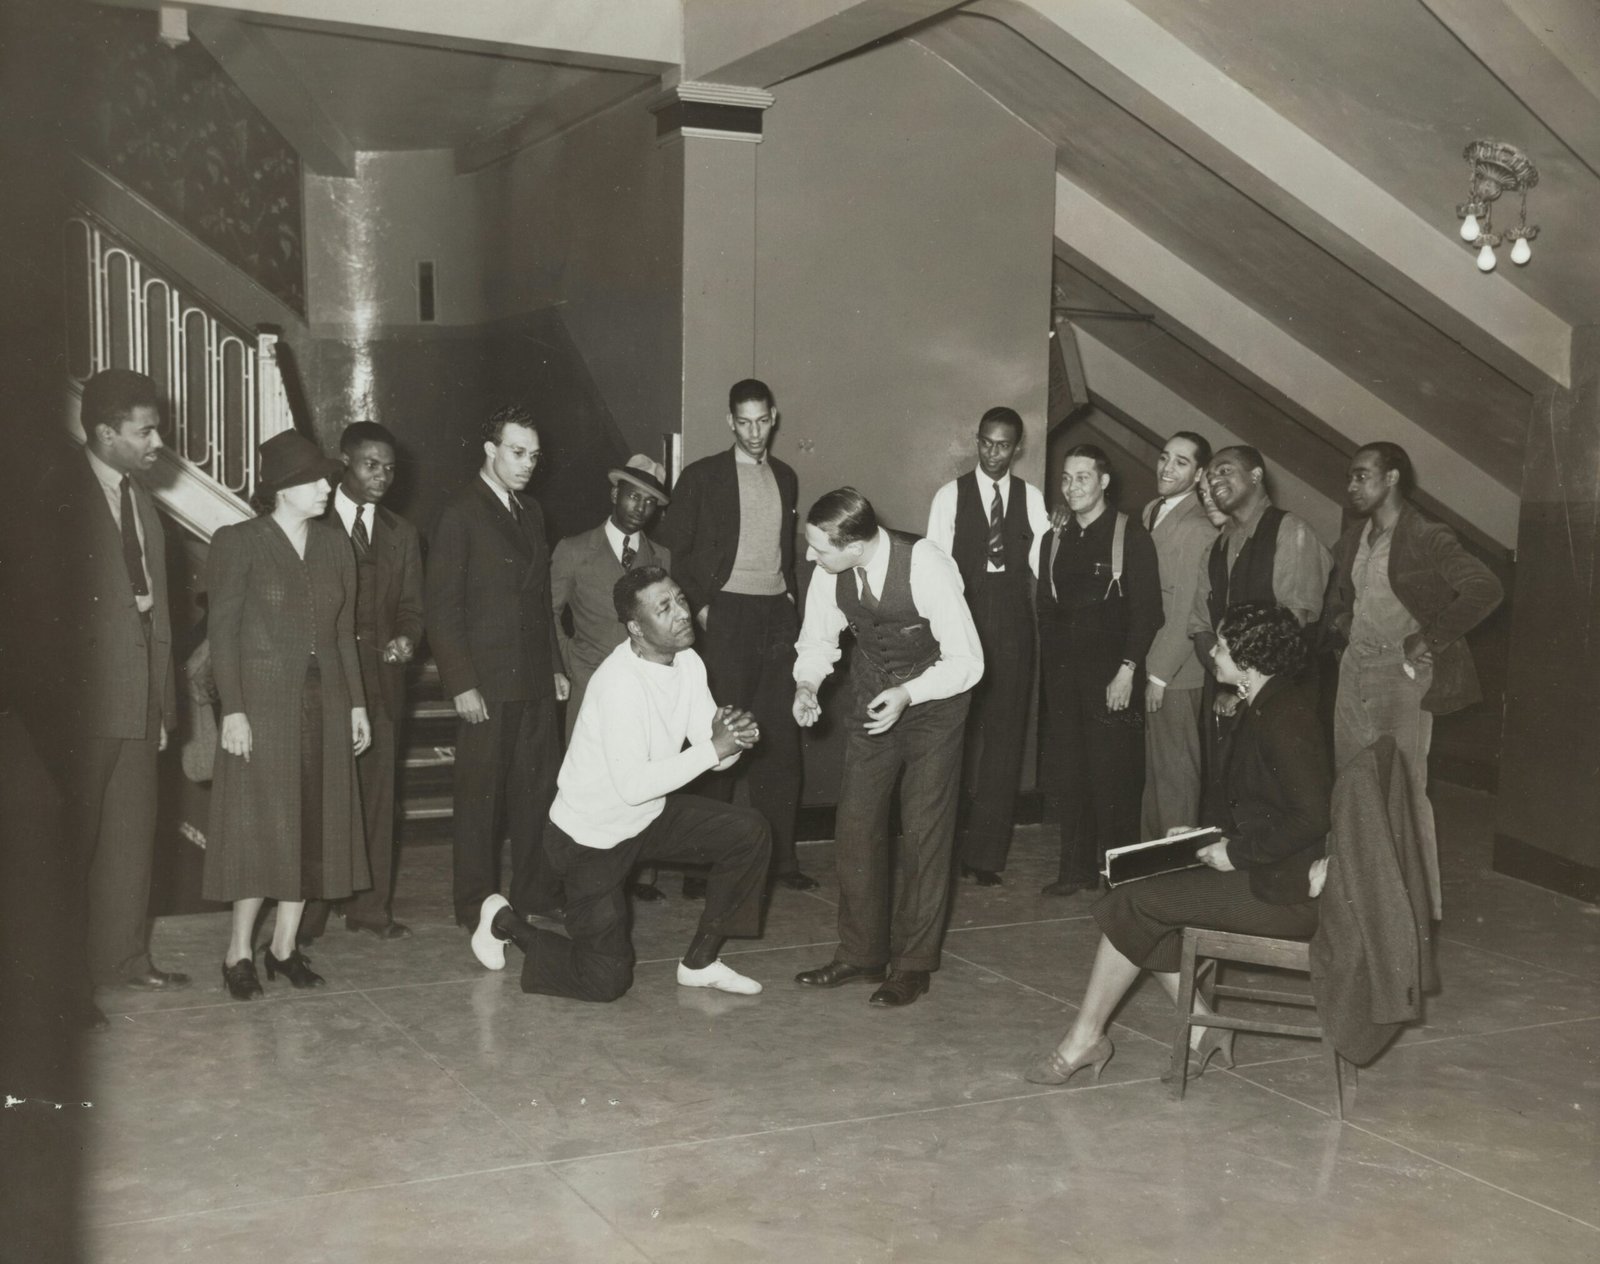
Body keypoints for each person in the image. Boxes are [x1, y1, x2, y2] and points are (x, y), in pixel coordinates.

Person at [1025, 602, 1330, 1085]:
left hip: (1285, 891)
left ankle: (1087, 1038)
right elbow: (1261, 804)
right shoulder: (1267, 704)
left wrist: (1233, 853)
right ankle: (1200, 1031)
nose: (1215, 655)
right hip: (1271, 868)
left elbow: (1313, 816)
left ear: (1250, 659)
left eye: (1225, 647)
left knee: (1134, 904)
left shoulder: (1285, 717)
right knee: (1138, 888)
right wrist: (1205, 834)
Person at [471, 566, 771, 1001]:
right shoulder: (618, 684)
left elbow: (715, 755)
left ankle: (700, 962)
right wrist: (716, 748)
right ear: (636, 628)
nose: (682, 613)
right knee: (605, 980)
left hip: (646, 817)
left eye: (680, 599)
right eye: (664, 608)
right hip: (589, 838)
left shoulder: (686, 661)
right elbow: (633, 785)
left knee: (749, 831)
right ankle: (504, 921)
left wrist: (734, 739)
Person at [791, 488, 984, 1008]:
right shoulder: (831, 572)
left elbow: (968, 661)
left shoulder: (926, 566)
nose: (811, 557)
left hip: (935, 704)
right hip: (873, 696)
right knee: (855, 825)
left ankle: (913, 965)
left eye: (820, 549)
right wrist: (807, 685)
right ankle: (860, 953)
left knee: (923, 831)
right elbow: (817, 641)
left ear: (854, 545)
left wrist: (909, 693)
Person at [205, 431, 372, 1000]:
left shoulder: (335, 546)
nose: (329, 487)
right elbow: (222, 635)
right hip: (263, 707)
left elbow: (343, 635)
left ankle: (283, 948)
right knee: (260, 828)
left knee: (315, 826)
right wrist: (234, 710)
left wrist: (356, 704)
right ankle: (237, 953)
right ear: (282, 488)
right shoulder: (239, 542)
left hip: (324, 704)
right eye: (318, 480)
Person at [47, 369, 188, 1025]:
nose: (156, 441)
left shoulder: (142, 502)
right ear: (105, 433)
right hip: (77, 709)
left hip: (138, 703)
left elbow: (160, 615)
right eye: (145, 430)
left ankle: (124, 960)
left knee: (132, 839)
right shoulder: (51, 497)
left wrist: (162, 704)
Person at [1323, 442, 1502, 919]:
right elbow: (1339, 596)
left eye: (1362, 476)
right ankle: (1357, 901)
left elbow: (1485, 587)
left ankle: (1418, 914)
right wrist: (1342, 623)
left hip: (1400, 677)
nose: (1352, 486)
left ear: (1393, 477)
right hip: (1353, 670)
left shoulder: (1425, 534)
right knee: (1352, 784)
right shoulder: (1354, 537)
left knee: (1403, 789)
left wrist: (1429, 639)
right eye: (1350, 478)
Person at [659, 379, 814, 893]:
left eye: (761, 421)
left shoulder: (786, 477)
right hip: (726, 614)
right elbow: (678, 553)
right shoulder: (702, 476)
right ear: (730, 421)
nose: (753, 432)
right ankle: (699, 867)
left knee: (780, 742)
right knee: (718, 736)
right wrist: (702, 608)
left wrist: (791, 601)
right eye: (743, 422)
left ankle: (782, 862)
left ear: (775, 417)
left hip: (777, 616)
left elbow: (785, 554)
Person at [426, 405, 569, 938]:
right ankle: (476, 905)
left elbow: (538, 603)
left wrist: (554, 665)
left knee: (538, 794)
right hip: (485, 682)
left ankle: (533, 896)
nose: (527, 463)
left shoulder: (530, 510)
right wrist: (461, 682)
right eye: (516, 452)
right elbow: (443, 607)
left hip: (532, 679)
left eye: (533, 455)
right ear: (490, 451)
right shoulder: (460, 513)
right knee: (480, 802)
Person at [300, 422, 423, 944]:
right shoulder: (310, 521)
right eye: (372, 464)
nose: (383, 476)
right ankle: (305, 915)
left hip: (381, 683)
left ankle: (371, 910)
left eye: (390, 468)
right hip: (320, 681)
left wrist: (406, 639)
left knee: (377, 797)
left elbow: (414, 609)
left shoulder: (403, 534)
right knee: (317, 797)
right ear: (344, 463)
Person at [925, 406, 1051, 885]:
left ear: (1017, 447)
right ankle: (943, 845)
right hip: (962, 617)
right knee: (952, 736)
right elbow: (934, 567)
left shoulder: (1031, 497)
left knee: (1004, 740)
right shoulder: (949, 496)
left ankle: (985, 857)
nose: (993, 453)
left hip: (1014, 621)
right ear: (977, 441)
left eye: (1003, 445)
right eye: (986, 443)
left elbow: (1044, 563)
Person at [1037, 445, 1162, 897]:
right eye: (1067, 479)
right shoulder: (1055, 537)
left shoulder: (1131, 534)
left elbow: (1147, 612)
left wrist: (1127, 670)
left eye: (1083, 478)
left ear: (1104, 481)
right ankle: (1074, 870)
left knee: (1115, 776)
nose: (1072, 487)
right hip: (1066, 678)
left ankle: (1119, 876)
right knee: (1070, 772)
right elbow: (1044, 609)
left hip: (1113, 676)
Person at [551, 454, 673, 900]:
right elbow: (549, 613)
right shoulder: (574, 549)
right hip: (590, 683)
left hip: (643, 689)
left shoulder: (661, 557)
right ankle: (578, 880)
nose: (640, 507)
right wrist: (565, 664)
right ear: (614, 493)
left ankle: (637, 874)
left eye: (650, 501)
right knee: (588, 785)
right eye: (633, 495)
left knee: (643, 778)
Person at [1187, 446, 1331, 813]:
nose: (1215, 480)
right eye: (1211, 476)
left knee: (1282, 802)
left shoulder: (1290, 531)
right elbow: (1201, 626)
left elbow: (1291, 627)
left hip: (1283, 697)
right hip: (1229, 693)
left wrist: (1244, 688)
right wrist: (1226, 682)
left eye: (1225, 471)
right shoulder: (1217, 547)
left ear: (1256, 476)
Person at [1139, 432, 1216, 838]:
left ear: (1200, 473)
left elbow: (1187, 610)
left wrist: (1159, 675)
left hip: (1175, 672)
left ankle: (1175, 869)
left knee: (1175, 773)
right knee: (1156, 772)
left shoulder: (1199, 527)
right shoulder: (1153, 510)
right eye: (1165, 457)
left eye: (1181, 462)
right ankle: (1149, 865)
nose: (1167, 468)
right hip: (1151, 659)